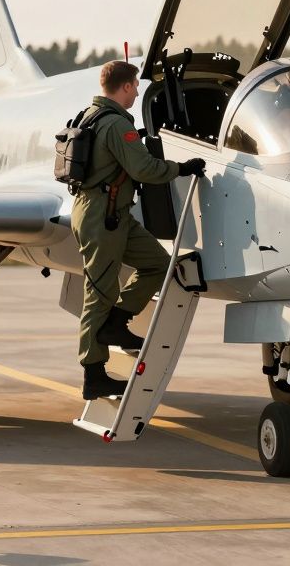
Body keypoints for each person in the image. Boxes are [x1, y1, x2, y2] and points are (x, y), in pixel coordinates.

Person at [73, 60, 204, 400]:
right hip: (102, 217)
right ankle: (93, 374)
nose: (138, 93)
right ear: (127, 87)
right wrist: (182, 168)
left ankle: (118, 321)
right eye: (136, 86)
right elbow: (143, 168)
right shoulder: (116, 124)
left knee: (158, 264)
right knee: (98, 293)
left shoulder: (90, 115)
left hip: (111, 213)